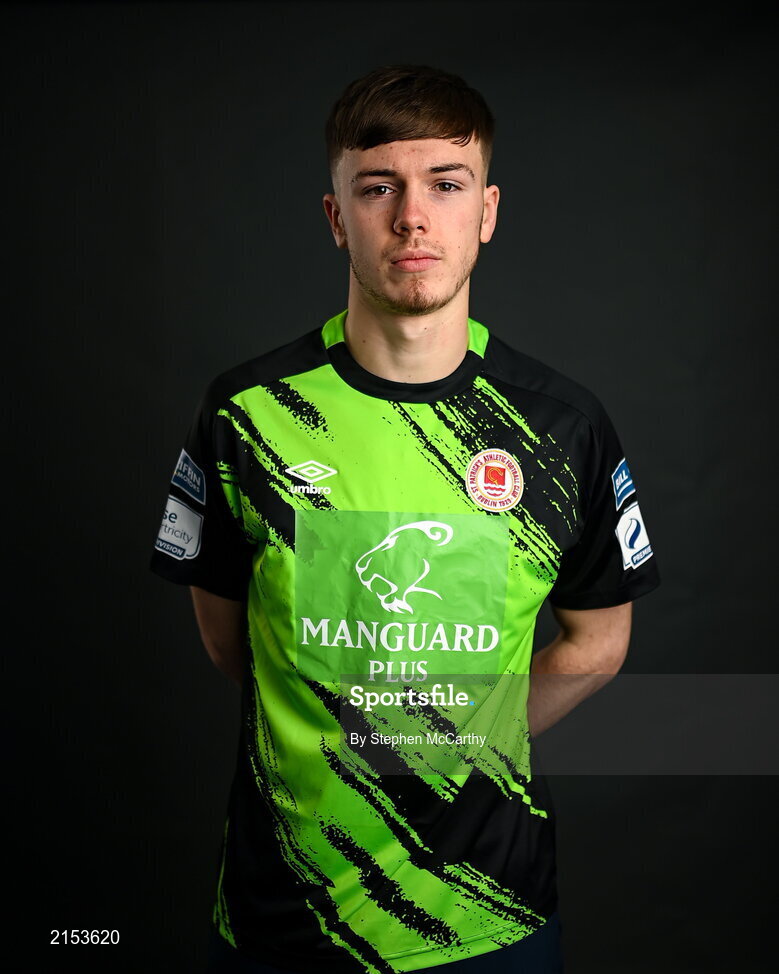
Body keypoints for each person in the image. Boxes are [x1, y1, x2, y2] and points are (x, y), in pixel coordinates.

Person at [150, 65, 659, 974]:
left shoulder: (561, 426)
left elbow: (597, 644)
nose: (412, 218)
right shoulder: (247, 414)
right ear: (337, 216)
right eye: (377, 188)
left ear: (487, 211)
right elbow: (236, 646)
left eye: (445, 185)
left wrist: (453, 736)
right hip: (284, 917)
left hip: (488, 919)